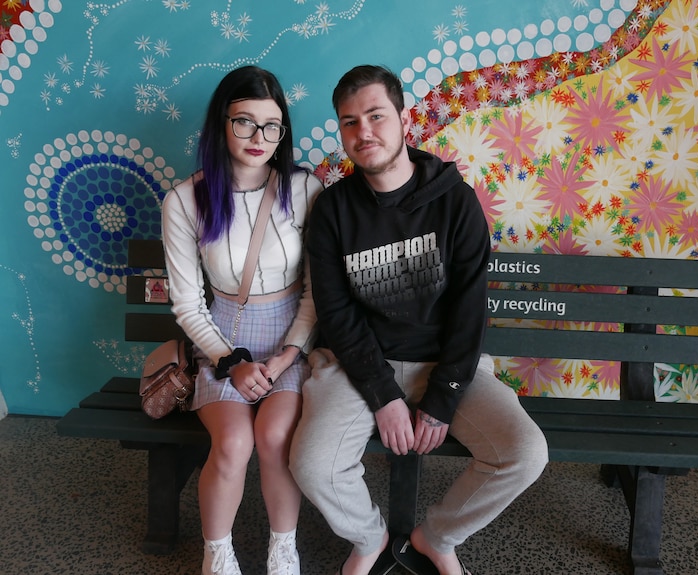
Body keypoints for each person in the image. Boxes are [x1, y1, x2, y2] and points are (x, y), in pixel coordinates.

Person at [290, 65, 549, 575]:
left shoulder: (456, 202)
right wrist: (383, 393)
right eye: (348, 122)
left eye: (375, 115)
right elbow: (336, 313)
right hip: (359, 363)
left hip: (447, 364)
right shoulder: (333, 210)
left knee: (525, 453)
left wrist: (443, 396)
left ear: (404, 118)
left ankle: (436, 537)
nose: (363, 132)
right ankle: (369, 539)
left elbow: (469, 310)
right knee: (312, 463)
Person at [162, 65, 323, 575]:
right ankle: (219, 553)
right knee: (233, 442)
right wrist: (229, 361)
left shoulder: (305, 189)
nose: (260, 138)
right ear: (220, 124)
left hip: (289, 338)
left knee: (277, 438)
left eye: (272, 126)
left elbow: (315, 294)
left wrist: (286, 356)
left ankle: (283, 547)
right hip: (222, 337)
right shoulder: (185, 200)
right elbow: (188, 303)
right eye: (245, 122)